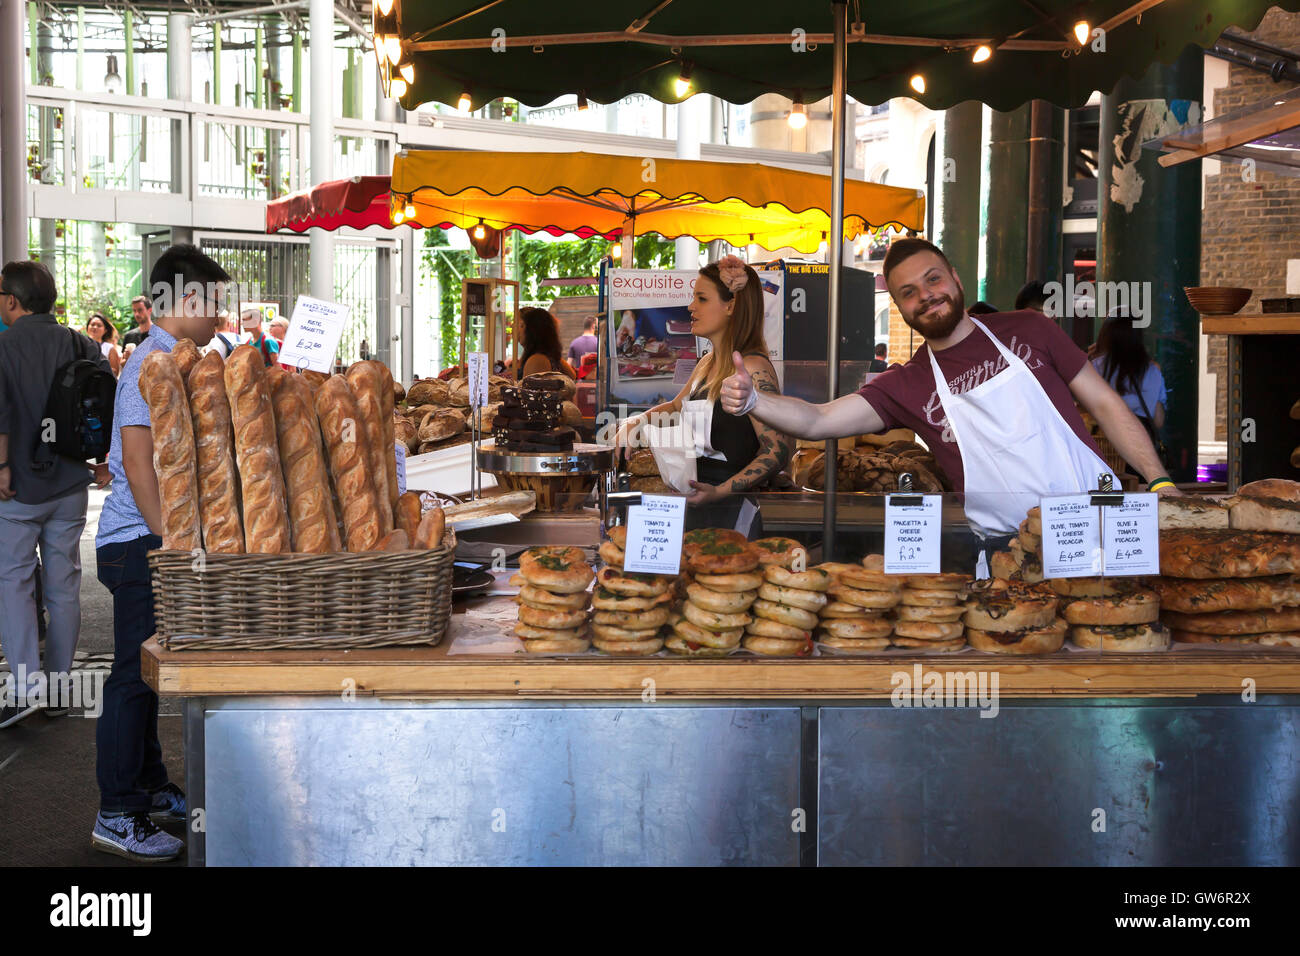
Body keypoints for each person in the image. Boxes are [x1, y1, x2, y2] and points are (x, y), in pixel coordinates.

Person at [719, 238, 1180, 565]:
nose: (927, 296)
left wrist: (1160, 484)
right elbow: (817, 420)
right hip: (1011, 556)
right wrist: (753, 400)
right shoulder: (908, 383)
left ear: (956, 278)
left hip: (1102, 526)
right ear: (900, 309)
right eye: (909, 293)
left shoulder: (1030, 329)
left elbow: (1106, 405)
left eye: (933, 279)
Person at [93, 243, 231, 862]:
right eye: (217, 304)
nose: (222, 319)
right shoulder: (147, 364)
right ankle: (116, 811)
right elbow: (139, 462)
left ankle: (148, 787)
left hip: (152, 540)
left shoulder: (180, 361)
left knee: (147, 675)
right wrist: (170, 541)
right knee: (130, 677)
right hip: (137, 543)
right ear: (189, 300)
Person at [0, 260, 112, 729]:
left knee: (15, 585)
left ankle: (24, 689)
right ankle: (61, 688)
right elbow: (107, 397)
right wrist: (103, 458)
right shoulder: (80, 342)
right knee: (64, 589)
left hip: (19, 488)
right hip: (70, 484)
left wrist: (3, 464)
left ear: (11, 300)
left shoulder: (4, 345)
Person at [618, 255, 792, 535]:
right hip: (693, 504)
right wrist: (634, 423)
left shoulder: (753, 368)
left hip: (731, 512)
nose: (690, 307)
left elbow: (778, 450)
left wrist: (721, 492)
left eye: (701, 298)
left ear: (731, 306)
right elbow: (675, 407)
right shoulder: (706, 363)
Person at [1091, 313, 1168, 473]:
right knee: (1138, 494)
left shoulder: (1095, 367)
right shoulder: (1153, 370)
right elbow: (1158, 420)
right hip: (1141, 453)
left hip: (1106, 449)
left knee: (1106, 494)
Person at [516, 307, 578, 380]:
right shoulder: (549, 356)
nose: (517, 329)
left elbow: (527, 390)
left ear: (533, 330)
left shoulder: (537, 360)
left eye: (521, 325)